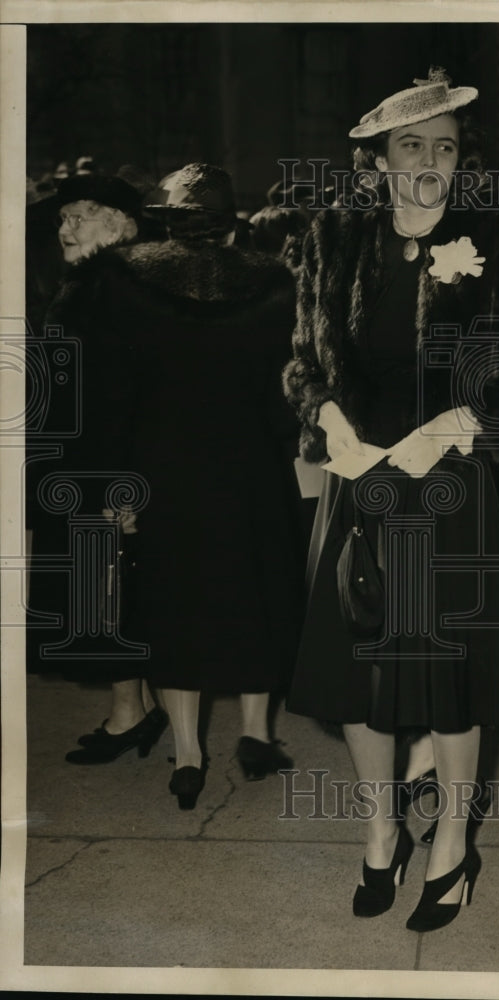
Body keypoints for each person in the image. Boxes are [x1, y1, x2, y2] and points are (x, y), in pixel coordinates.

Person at [283, 68, 499, 931]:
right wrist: (328, 422)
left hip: (453, 479)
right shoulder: (333, 233)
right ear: (378, 160)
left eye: (443, 148)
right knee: (359, 671)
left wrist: (457, 422)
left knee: (447, 671)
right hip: (358, 475)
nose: (429, 162)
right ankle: (380, 832)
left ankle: (452, 845)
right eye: (411, 147)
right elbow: (304, 353)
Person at [46, 163, 303, 806]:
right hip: (252, 472)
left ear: (162, 219)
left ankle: (187, 754)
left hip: (161, 470)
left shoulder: (118, 282)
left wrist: (109, 488)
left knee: (170, 607)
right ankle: (256, 735)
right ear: (229, 222)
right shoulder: (277, 283)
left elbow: (105, 399)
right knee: (255, 600)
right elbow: (290, 390)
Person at [26, 173, 169, 762]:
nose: (66, 227)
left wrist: (122, 487)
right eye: (63, 218)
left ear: (120, 223)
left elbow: (129, 395)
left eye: (79, 215)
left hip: (104, 471)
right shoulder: (97, 282)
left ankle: (130, 713)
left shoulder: (116, 286)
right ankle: (136, 708)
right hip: (88, 465)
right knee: (111, 590)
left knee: (110, 592)